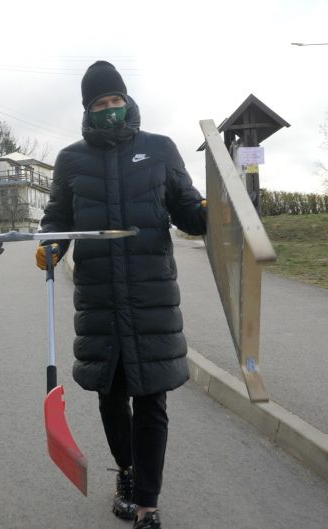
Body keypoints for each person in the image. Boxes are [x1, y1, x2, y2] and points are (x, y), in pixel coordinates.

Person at [35, 61, 207, 529]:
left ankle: (148, 502)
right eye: (100, 103)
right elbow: (57, 219)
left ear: (127, 101)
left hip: (151, 298)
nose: (110, 109)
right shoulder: (71, 160)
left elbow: (189, 212)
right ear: (88, 109)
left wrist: (216, 211)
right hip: (100, 299)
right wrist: (51, 247)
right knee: (111, 395)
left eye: (115, 100)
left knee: (151, 398)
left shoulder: (159, 150)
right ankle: (128, 472)